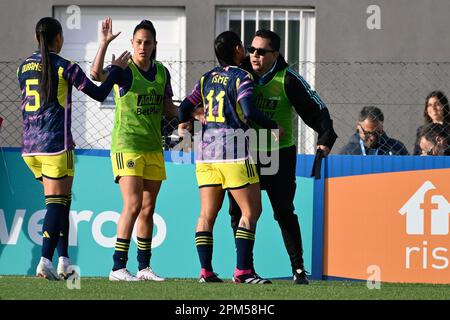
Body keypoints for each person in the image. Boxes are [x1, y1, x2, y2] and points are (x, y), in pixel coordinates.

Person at [17, 17, 130, 280]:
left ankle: (64, 262)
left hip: (29, 149)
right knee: (56, 205)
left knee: (63, 202)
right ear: (59, 39)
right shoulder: (64, 66)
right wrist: (115, 70)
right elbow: (100, 94)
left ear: (37, 39)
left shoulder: (23, 67)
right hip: (55, 146)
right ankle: (45, 260)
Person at [228, 29, 337, 285]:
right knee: (238, 212)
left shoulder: (288, 79)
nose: (254, 55)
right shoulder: (239, 73)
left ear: (275, 54)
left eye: (261, 51)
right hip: (245, 152)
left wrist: (325, 137)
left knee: (284, 212)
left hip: (279, 155)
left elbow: (316, 109)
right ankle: (245, 269)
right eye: (251, 49)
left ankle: (298, 270)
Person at [178, 30, 283, 284]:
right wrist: (272, 126)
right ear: (237, 50)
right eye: (243, 47)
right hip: (234, 151)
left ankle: (205, 271)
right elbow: (249, 111)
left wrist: (194, 118)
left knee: (206, 214)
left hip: (205, 153)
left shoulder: (206, 79)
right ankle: (243, 271)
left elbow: (183, 107)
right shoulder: (241, 77)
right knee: (252, 210)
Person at [90, 18, 178, 281]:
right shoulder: (124, 69)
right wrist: (104, 44)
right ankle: (117, 267)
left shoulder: (162, 72)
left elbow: (168, 107)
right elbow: (96, 76)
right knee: (132, 203)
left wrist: (193, 113)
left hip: (153, 147)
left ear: (154, 45)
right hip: (127, 145)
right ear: (131, 43)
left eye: (147, 42)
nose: (142, 46)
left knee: (148, 209)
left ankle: (143, 268)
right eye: (138, 42)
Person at [340, 106, 409, 155]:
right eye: (367, 133)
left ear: (382, 127)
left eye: (377, 132)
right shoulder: (347, 152)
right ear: (358, 127)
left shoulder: (397, 148)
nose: (372, 137)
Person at [413, 91, 450, 155]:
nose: (433, 108)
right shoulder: (421, 130)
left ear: (444, 106)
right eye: (429, 105)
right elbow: (416, 154)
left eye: (437, 104)